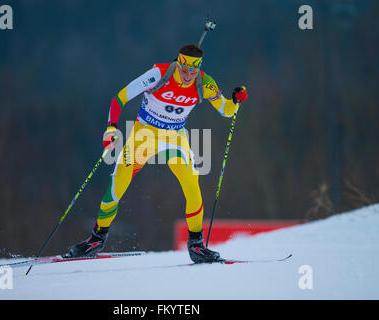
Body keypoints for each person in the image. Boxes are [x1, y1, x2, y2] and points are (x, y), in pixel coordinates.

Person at [63, 44, 248, 263]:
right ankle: (96, 239)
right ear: (178, 63)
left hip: (174, 138)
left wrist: (235, 100)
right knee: (118, 182)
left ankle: (196, 245)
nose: (188, 76)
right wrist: (111, 127)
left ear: (199, 68)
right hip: (144, 134)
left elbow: (226, 111)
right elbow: (120, 98)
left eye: (193, 71)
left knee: (192, 184)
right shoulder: (158, 74)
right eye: (184, 70)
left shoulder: (205, 83)